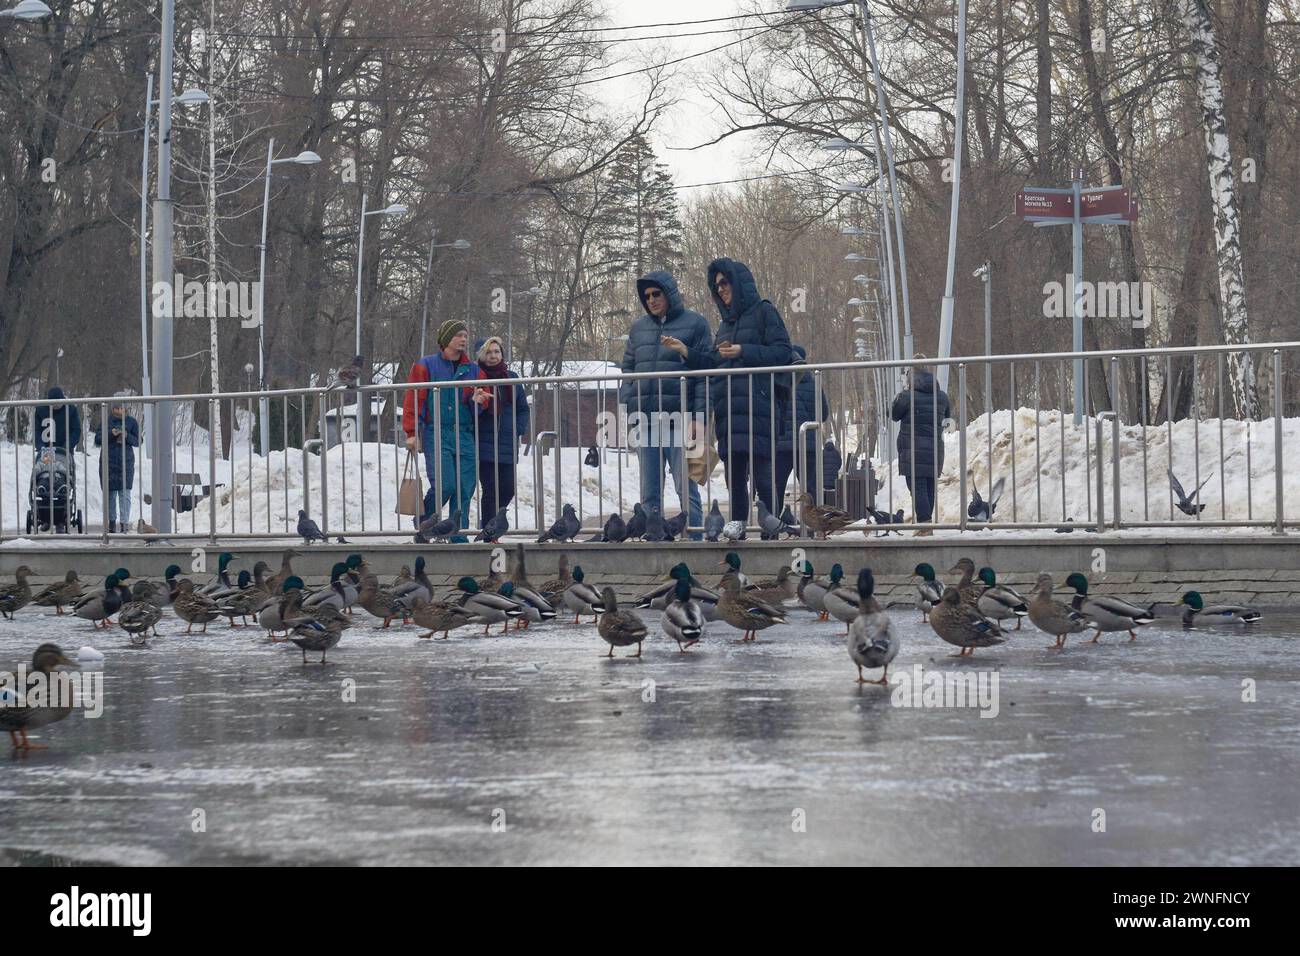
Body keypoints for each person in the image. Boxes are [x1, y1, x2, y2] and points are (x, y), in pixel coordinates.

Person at [678, 257, 791, 523]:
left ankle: (770, 536)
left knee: (764, 479)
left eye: (725, 283)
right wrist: (685, 352)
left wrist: (745, 351)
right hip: (729, 414)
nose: (720, 289)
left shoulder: (765, 311)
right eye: (716, 285)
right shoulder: (725, 325)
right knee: (735, 481)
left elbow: (783, 352)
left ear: (739, 283)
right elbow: (713, 361)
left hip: (759, 410)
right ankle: (737, 535)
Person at [622, 270, 712, 537]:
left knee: (686, 487)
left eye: (656, 294)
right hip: (645, 421)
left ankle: (695, 540)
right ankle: (654, 541)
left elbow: (704, 375)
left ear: (669, 293)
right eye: (646, 296)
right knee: (649, 491)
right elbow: (627, 370)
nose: (651, 300)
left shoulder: (696, 323)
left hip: (680, 420)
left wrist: (700, 417)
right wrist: (628, 405)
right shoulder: (638, 328)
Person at [402, 320, 489, 541]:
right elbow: (414, 399)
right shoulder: (426, 365)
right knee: (445, 484)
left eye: (465, 336)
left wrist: (477, 401)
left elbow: (482, 400)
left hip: (465, 434)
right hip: (437, 432)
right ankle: (424, 524)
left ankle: (458, 537)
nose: (463, 340)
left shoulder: (474, 370)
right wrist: (412, 432)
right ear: (446, 339)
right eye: (459, 335)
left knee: (464, 488)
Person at [474, 336, 530, 530]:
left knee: (508, 489)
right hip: (484, 443)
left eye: (497, 352)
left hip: (507, 442)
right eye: (488, 352)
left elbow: (523, 408)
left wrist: (518, 428)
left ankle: (493, 525)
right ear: (481, 355)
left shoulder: (512, 378)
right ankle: (488, 532)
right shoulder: (476, 377)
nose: (493, 356)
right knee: (490, 490)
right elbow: (469, 409)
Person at [890, 354, 951, 534]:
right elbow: (948, 420)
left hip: (913, 450)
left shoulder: (907, 396)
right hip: (935, 449)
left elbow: (894, 415)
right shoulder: (942, 397)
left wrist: (901, 392)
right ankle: (927, 523)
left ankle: (925, 524)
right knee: (929, 484)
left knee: (917, 486)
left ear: (911, 376)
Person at [773, 345, 830, 506]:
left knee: (776, 486)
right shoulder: (814, 384)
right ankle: (813, 524)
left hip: (781, 444)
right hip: (808, 444)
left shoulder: (777, 383)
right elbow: (823, 414)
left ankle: (772, 525)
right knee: (811, 488)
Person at [91, 396, 140, 533]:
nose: (120, 411)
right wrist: (111, 433)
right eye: (118, 408)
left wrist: (126, 436)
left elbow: (138, 441)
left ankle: (124, 523)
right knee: (110, 494)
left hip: (126, 462)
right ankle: (111, 523)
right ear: (113, 409)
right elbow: (98, 440)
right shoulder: (106, 422)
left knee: (125, 494)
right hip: (109, 462)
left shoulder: (131, 422)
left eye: (123, 408)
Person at [32, 385, 81, 456]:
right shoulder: (40, 410)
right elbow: (37, 431)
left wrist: (67, 447)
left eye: (58, 402)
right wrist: (41, 447)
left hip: (65, 452)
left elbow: (76, 430)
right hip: (45, 452)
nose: (56, 405)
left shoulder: (70, 409)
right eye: (53, 403)